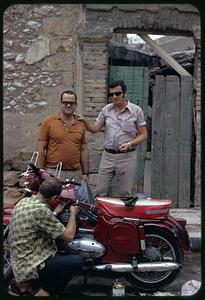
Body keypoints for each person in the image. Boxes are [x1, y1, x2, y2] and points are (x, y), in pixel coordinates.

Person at [9, 177, 84, 296]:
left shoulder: (24, 201)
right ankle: (44, 292)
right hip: (32, 265)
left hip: (20, 261)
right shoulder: (41, 210)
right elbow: (69, 236)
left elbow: (38, 220)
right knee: (77, 260)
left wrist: (55, 213)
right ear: (54, 197)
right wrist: (73, 214)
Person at [82, 79, 148, 197]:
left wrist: (130, 144)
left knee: (124, 193)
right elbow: (95, 128)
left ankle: (121, 216)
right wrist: (84, 122)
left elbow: (144, 134)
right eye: (111, 94)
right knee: (99, 191)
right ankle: (100, 215)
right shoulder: (106, 109)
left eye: (117, 94)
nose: (114, 97)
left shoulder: (136, 111)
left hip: (127, 156)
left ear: (125, 94)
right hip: (108, 156)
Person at [36, 90, 89, 182]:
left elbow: (83, 149)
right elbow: (40, 148)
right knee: (53, 197)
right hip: (53, 172)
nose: (68, 105)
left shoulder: (80, 123)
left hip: (75, 174)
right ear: (60, 103)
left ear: (75, 104)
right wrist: (40, 172)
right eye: (65, 102)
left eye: (71, 103)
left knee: (74, 196)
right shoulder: (49, 121)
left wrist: (85, 173)